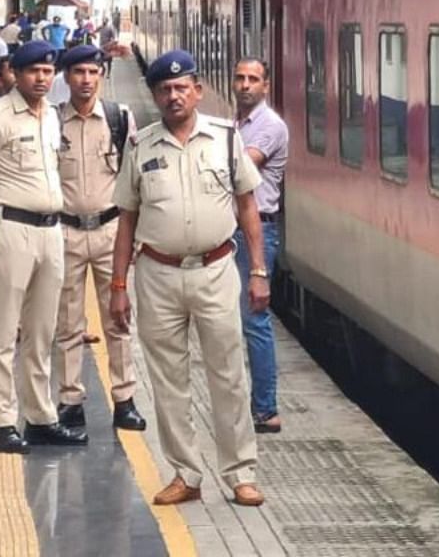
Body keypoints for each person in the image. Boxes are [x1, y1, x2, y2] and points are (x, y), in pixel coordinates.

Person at [109, 49, 268, 508]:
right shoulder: (140, 147)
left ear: (197, 91)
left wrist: (258, 271)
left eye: (182, 88)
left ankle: (240, 474)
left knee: (228, 374)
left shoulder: (224, 138)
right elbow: (125, 221)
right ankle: (186, 474)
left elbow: (247, 207)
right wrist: (118, 287)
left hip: (216, 270)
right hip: (157, 274)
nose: (174, 95)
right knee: (168, 380)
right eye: (165, 89)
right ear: (155, 95)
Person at [0, 40, 86, 453]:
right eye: (34, 71)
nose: (42, 78)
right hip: (11, 228)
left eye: (48, 72)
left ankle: (40, 417)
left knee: (41, 330)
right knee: (2, 332)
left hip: (51, 232)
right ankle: (0, 423)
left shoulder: (51, 116)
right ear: (15, 71)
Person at [52, 44, 146, 432]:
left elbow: (136, 180)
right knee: (67, 324)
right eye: (78, 73)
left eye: (93, 73)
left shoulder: (119, 119)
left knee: (119, 319)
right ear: (67, 77)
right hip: (66, 232)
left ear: (102, 76)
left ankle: (124, 400)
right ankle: (70, 400)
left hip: (111, 232)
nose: (86, 81)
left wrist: (137, 236)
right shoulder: (53, 123)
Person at [231, 58, 288, 434]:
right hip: (232, 230)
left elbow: (238, 169)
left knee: (255, 321)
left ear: (266, 86)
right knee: (234, 322)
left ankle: (266, 409)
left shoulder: (270, 127)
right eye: (240, 78)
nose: (245, 85)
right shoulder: (236, 124)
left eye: (253, 79)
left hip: (257, 233)